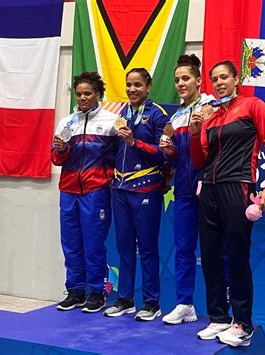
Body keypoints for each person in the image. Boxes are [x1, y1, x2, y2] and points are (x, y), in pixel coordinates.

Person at [190, 61, 265, 347]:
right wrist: (195, 132)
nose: (219, 83)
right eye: (214, 79)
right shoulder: (210, 116)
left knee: (237, 257)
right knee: (210, 255)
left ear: (235, 79)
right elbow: (199, 160)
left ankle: (242, 324)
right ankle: (218, 317)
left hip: (238, 187)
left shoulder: (253, 106)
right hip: (210, 190)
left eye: (224, 77)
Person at [103, 68, 168, 321]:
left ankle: (151, 302)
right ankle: (125, 299)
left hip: (146, 188)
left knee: (148, 247)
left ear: (148, 87)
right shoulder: (121, 114)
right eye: (129, 85)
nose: (132, 89)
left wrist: (134, 143)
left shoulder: (158, 115)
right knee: (124, 247)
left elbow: (164, 152)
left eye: (138, 85)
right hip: (119, 189)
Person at [52, 72, 118, 313]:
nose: (82, 97)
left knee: (93, 243)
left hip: (95, 191)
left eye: (87, 93)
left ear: (98, 94)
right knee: (70, 243)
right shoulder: (66, 123)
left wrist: (108, 176)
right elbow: (56, 159)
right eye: (79, 94)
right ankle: (75, 290)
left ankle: (97, 292)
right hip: (68, 190)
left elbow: (120, 157)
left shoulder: (112, 121)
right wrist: (60, 149)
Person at [158, 54, 214, 325]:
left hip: (210, 186)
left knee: (216, 250)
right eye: (177, 79)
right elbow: (178, 157)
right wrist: (168, 151)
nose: (180, 83)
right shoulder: (176, 116)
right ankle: (185, 304)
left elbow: (216, 146)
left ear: (198, 81)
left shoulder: (211, 107)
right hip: (183, 189)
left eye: (186, 78)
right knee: (183, 248)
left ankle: (221, 313)